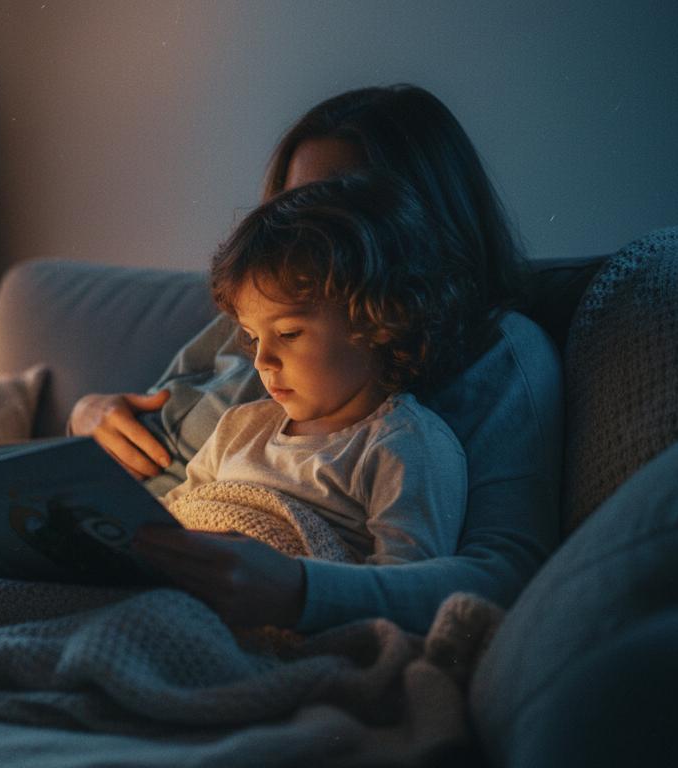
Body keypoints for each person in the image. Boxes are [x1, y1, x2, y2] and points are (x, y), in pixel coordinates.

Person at [72, 84, 563, 633]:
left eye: (341, 206)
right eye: (293, 204)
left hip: (222, 581)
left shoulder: (492, 357)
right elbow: (154, 415)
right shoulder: (249, 323)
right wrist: (89, 414)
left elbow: (500, 572)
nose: (308, 233)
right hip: (118, 525)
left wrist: (296, 590)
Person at [153, 172, 474, 629]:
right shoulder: (240, 427)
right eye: (251, 336)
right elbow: (175, 515)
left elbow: (404, 585)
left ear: (379, 321)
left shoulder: (403, 445)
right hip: (182, 601)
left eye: (288, 334)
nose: (262, 359)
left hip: (273, 625)